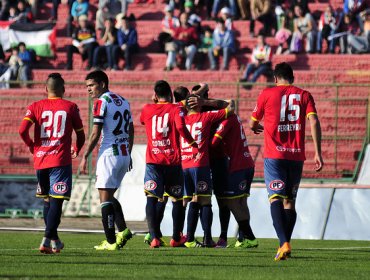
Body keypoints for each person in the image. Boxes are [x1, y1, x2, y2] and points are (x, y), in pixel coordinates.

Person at [249, 62, 323, 261]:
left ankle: (284, 243)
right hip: (296, 155)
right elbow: (314, 121)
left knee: (275, 199)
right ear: (293, 77)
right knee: (290, 202)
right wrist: (318, 152)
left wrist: (255, 126)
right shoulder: (304, 95)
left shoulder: (266, 94)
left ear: (275, 79)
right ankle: (284, 245)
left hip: (275, 156)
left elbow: (252, 122)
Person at [18, 72, 85, 254]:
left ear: (45, 89)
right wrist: (77, 149)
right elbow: (80, 134)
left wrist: (32, 146)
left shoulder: (35, 106)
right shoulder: (70, 107)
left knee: (47, 200)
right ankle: (46, 239)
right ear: (63, 89)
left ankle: (54, 241)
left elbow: (22, 130)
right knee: (56, 202)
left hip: (41, 161)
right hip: (60, 161)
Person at [79, 70, 134, 250]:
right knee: (109, 196)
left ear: (102, 84)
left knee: (104, 199)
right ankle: (123, 230)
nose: (88, 90)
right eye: (87, 86)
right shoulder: (124, 101)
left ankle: (111, 242)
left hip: (109, 154)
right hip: (124, 154)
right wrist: (130, 152)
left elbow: (95, 133)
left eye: (91, 85)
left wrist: (84, 156)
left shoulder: (101, 102)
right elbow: (131, 130)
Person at [140, 80, 197, 248]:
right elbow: (180, 127)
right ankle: (176, 237)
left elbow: (144, 121)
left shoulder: (147, 108)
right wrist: (192, 143)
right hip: (172, 161)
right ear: (171, 95)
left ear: (155, 95)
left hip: (153, 161)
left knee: (152, 197)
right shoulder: (176, 109)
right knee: (177, 199)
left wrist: (154, 102)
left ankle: (154, 237)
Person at [181, 94, 235, 248]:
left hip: (184, 164)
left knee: (192, 200)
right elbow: (231, 106)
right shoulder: (205, 117)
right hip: (200, 164)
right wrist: (205, 102)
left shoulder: (181, 119)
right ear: (198, 104)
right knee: (205, 201)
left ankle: (188, 238)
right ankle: (208, 238)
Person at [211, 112, 258, 249]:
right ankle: (244, 238)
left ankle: (250, 237)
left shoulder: (226, 121)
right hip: (248, 163)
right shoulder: (235, 117)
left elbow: (213, 143)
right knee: (242, 202)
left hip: (238, 166)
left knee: (231, 202)